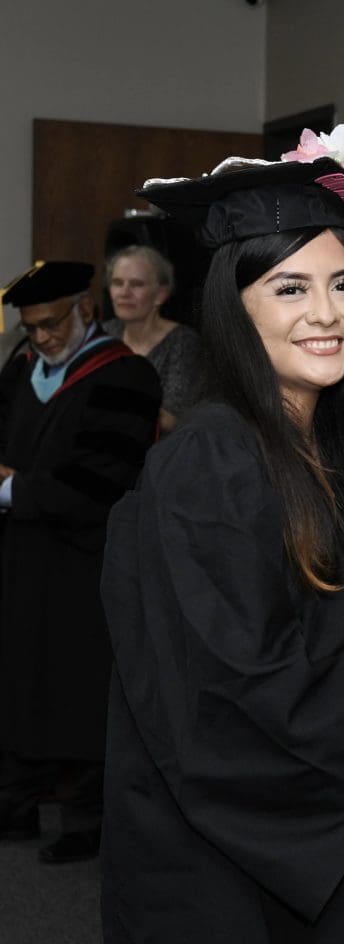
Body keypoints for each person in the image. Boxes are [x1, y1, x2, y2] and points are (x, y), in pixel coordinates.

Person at [99, 128, 344, 944]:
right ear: (235, 307)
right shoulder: (211, 461)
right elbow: (231, 685)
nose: (327, 314)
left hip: (335, 819)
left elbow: (318, 620)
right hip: (230, 860)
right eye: (289, 289)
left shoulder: (333, 447)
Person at [0, 260, 160, 864]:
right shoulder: (20, 371)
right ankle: (15, 803)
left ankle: (87, 819)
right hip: (22, 558)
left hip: (86, 560)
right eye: (32, 327)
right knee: (19, 678)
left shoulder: (125, 375)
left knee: (81, 688)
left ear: (85, 308)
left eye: (51, 323)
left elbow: (103, 480)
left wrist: (14, 489)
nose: (42, 337)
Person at [105, 244, 204, 432]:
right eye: (117, 283)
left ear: (160, 295)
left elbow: (173, 420)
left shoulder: (183, 343)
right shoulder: (104, 333)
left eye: (136, 284)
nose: (124, 293)